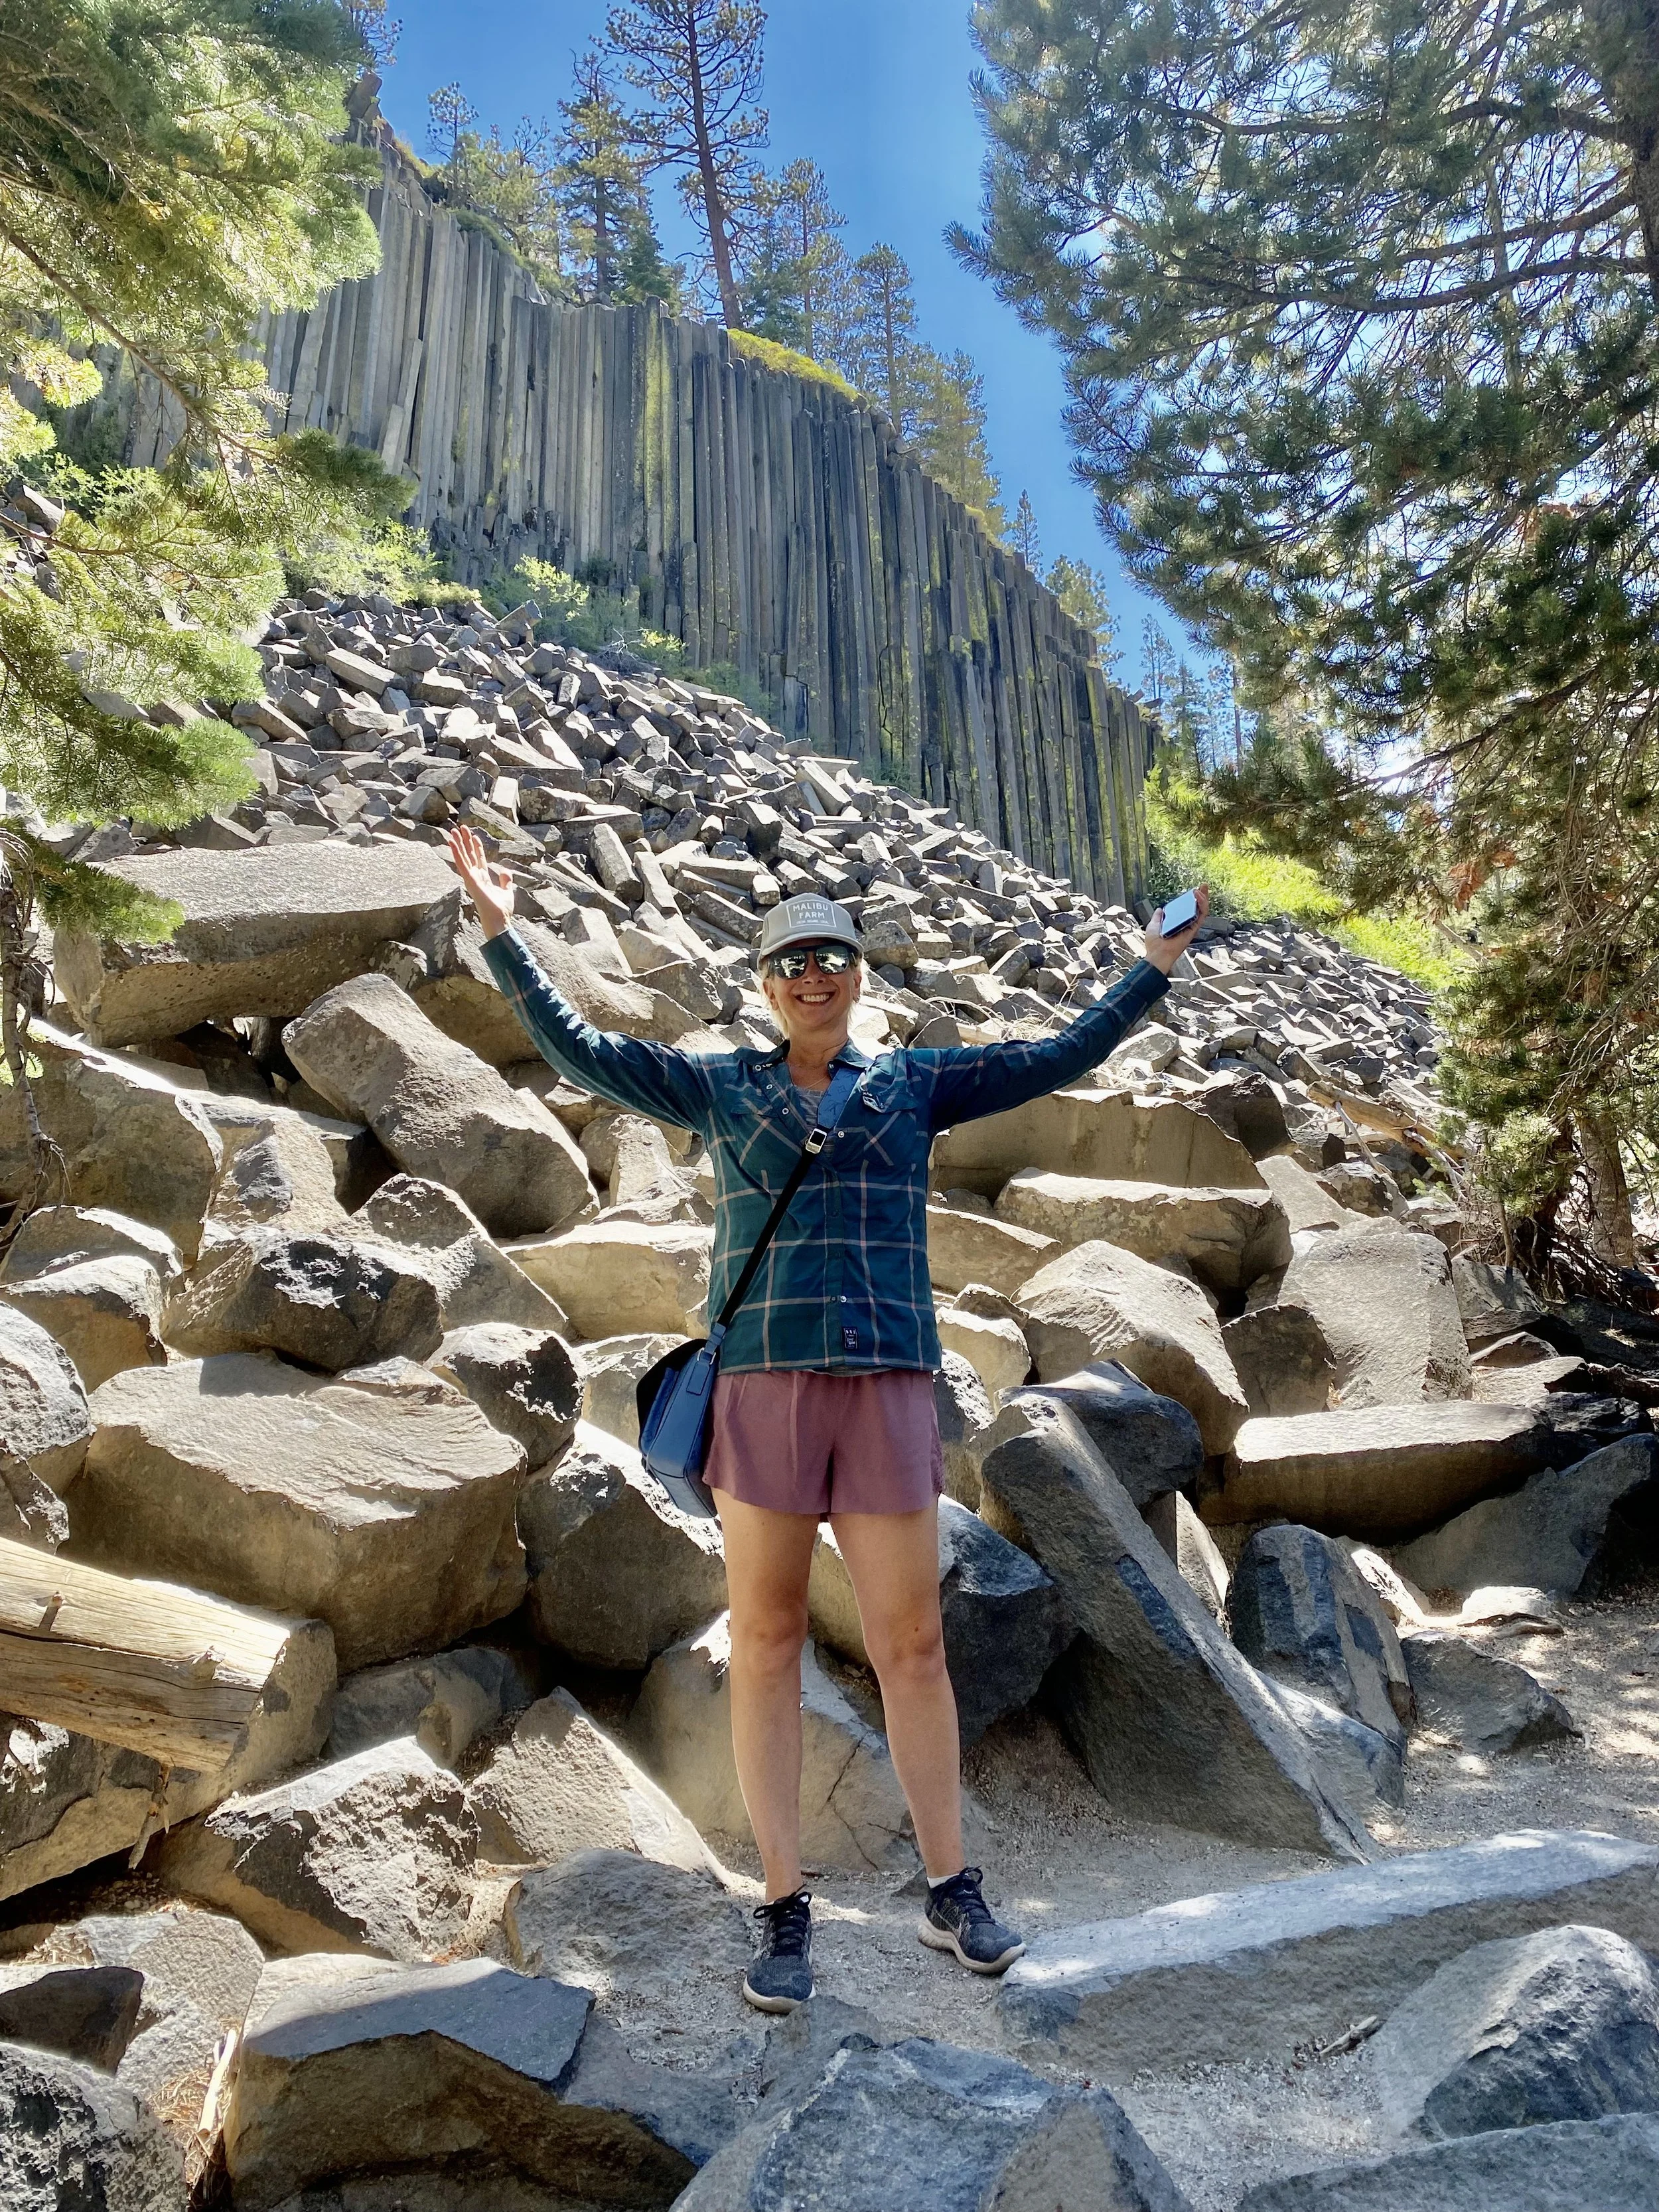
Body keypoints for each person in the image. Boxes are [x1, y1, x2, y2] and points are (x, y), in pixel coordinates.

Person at [447, 823, 1207, 2012]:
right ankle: (784, 1905)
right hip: (763, 1389)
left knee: (912, 1643)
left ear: (860, 977)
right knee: (765, 1640)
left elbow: (1059, 1056)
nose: (813, 976)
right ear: (765, 984)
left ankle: (952, 1890)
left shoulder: (915, 1084)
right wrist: (505, 934)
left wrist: (1149, 973)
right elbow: (584, 1052)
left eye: (833, 959)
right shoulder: (724, 1084)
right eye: (791, 960)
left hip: (892, 1386)